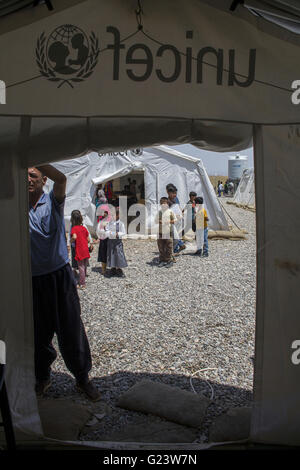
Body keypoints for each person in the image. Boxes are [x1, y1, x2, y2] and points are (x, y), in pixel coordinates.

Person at [28, 165, 101, 401]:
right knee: (37, 333)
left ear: (43, 179)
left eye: (33, 175)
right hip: (32, 278)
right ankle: (42, 377)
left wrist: (34, 154)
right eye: (25, 174)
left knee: (70, 328)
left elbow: (62, 179)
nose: (28, 179)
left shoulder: (52, 201)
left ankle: (82, 378)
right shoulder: (15, 205)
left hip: (59, 276)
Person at [69, 209, 93, 282]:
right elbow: (88, 239)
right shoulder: (83, 227)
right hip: (85, 249)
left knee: (80, 266)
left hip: (78, 249)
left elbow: (74, 237)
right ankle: (84, 276)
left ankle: (82, 283)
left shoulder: (74, 228)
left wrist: (70, 241)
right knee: (84, 265)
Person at [106, 207, 128, 278]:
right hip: (111, 242)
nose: (112, 217)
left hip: (118, 242)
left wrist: (117, 234)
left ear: (118, 215)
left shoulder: (121, 224)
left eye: (113, 215)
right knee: (111, 254)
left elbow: (124, 232)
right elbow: (106, 230)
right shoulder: (109, 223)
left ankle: (119, 268)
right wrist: (110, 233)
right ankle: (113, 267)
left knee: (118, 254)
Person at [155, 197, 175, 268]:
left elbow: (174, 220)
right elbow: (155, 220)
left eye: (165, 203)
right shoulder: (159, 212)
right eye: (162, 203)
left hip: (168, 232)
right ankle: (162, 260)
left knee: (169, 246)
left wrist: (168, 222)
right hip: (160, 232)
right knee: (161, 246)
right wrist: (159, 221)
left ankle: (169, 260)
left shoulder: (170, 212)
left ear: (167, 203)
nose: (163, 204)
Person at [167, 184, 185, 253]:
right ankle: (178, 247)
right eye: (174, 193)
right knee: (175, 235)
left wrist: (181, 212)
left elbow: (178, 207)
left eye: (176, 193)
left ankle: (176, 248)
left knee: (176, 234)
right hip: (172, 220)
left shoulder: (176, 198)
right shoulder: (167, 201)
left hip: (178, 219)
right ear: (169, 193)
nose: (175, 195)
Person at [96, 210, 110, 275]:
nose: (105, 214)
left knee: (109, 254)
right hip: (103, 239)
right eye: (104, 213)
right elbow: (98, 230)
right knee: (103, 254)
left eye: (106, 213)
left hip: (110, 239)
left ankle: (113, 268)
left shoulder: (111, 222)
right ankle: (103, 269)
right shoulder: (101, 222)